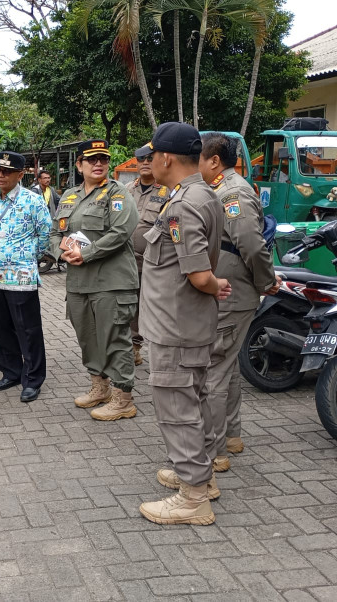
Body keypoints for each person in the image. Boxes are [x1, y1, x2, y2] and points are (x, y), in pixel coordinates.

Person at [137, 122, 231, 526]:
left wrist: (215, 284)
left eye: (151, 154)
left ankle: (193, 497)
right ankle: (200, 475)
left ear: (166, 158)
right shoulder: (199, 194)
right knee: (191, 400)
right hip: (184, 323)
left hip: (175, 326)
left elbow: (198, 274)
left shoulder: (183, 204)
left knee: (177, 409)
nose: (148, 161)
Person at [199, 133, 280, 468]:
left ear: (214, 160)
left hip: (232, 293)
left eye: (198, 158)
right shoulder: (220, 188)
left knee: (214, 371)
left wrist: (266, 281)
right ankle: (230, 435)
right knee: (226, 367)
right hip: (229, 291)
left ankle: (213, 452)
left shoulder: (232, 192)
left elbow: (250, 242)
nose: (195, 165)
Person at [50, 140, 139, 421]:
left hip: (111, 282)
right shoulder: (69, 196)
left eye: (103, 159)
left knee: (114, 339)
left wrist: (85, 254)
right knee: (87, 338)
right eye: (91, 159)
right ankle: (99, 387)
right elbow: (54, 232)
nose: (98, 163)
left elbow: (121, 231)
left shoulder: (118, 193)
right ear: (79, 165)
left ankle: (123, 398)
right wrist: (61, 253)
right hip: (78, 283)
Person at [0, 150, 52, 403]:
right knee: (1, 327)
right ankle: (11, 372)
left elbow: (45, 233)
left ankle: (33, 378)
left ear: (20, 174)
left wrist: (28, 257)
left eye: (7, 171)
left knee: (27, 329)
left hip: (21, 275)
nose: (0, 175)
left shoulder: (33, 200)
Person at [129, 144, 165, 367]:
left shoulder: (167, 191)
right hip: (126, 262)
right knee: (130, 305)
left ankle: (160, 350)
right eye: (141, 158)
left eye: (150, 158)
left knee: (152, 307)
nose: (145, 162)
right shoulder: (126, 190)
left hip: (153, 262)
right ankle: (133, 347)